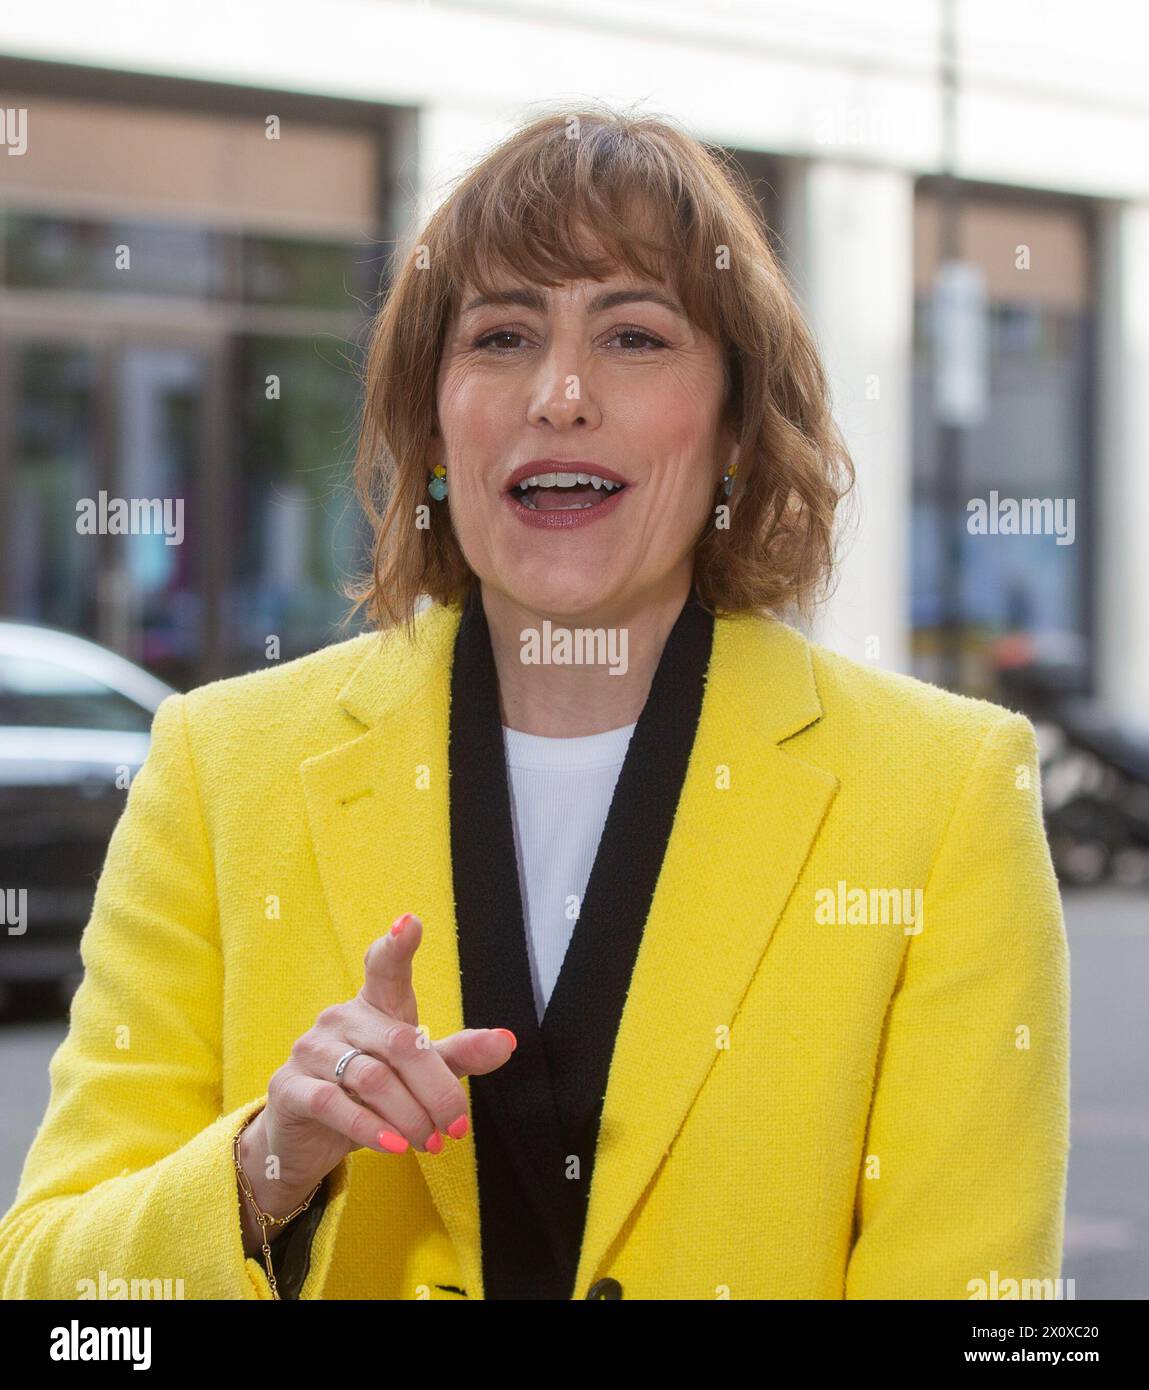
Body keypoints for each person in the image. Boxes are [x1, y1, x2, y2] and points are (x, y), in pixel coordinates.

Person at [0, 104, 1069, 1301]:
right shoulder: (214, 767)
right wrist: (263, 1171)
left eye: (635, 336)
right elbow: (53, 1296)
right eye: (502, 336)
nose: (559, 393)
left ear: (733, 430)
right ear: (436, 423)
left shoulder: (947, 795)